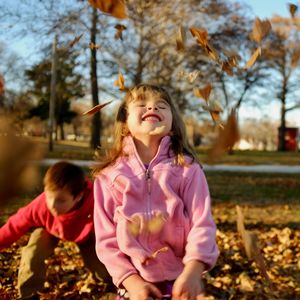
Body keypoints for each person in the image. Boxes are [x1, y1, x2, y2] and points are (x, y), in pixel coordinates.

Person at [93, 84, 219, 300]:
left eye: (161, 105)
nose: (152, 107)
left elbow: (203, 224)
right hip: (135, 285)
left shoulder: (188, 170)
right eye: (141, 104)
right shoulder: (110, 176)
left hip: (181, 280)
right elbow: (106, 240)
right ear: (124, 124)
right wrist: (132, 283)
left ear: (172, 124)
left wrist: (193, 271)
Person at [0, 161, 111, 299]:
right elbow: (14, 226)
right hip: (51, 230)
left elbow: (114, 229)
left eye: (61, 200)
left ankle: (108, 286)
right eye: (49, 197)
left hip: (87, 234)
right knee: (33, 252)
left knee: (102, 270)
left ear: (78, 196)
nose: (52, 205)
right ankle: (29, 293)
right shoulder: (42, 206)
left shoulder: (96, 202)